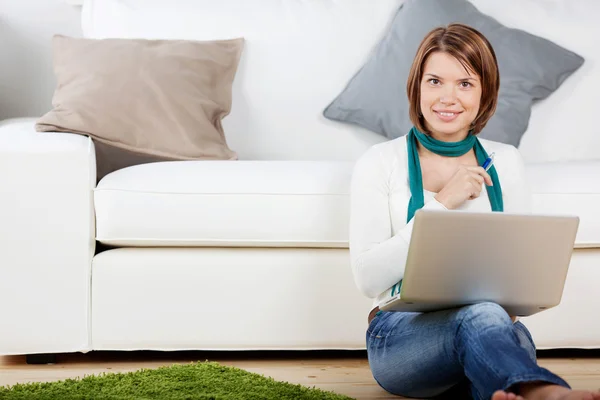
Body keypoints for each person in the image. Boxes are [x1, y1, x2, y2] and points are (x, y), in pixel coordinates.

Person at [349, 23, 600, 400]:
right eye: (435, 81)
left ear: (485, 94)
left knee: (487, 319)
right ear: (416, 87)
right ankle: (544, 391)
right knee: (482, 313)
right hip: (400, 337)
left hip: (496, 329)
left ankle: (512, 389)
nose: (447, 97)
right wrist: (443, 203)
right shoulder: (380, 162)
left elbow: (521, 279)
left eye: (465, 84)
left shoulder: (507, 162)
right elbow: (369, 278)